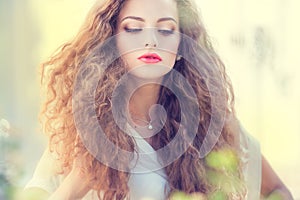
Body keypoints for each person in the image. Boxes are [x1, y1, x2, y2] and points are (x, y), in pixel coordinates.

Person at [24, 0, 293, 199]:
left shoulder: (211, 126)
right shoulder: (80, 130)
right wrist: (78, 182)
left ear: (181, 47)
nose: (151, 40)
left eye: (165, 30)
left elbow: (278, 191)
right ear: (111, 39)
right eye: (133, 29)